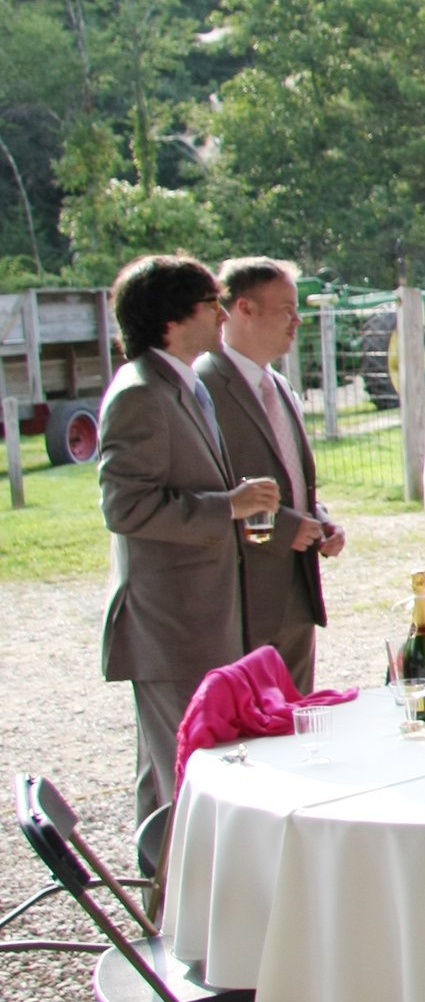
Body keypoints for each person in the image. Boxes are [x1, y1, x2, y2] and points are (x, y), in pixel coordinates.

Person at [97, 254, 277, 821]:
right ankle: (179, 902)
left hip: (197, 616)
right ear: (172, 320)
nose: (223, 316)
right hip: (169, 624)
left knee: (171, 776)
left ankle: (167, 902)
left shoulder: (178, 383)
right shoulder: (139, 393)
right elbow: (125, 508)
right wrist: (229, 505)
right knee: (183, 776)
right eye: (210, 305)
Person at [198, 257, 343, 691]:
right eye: (286, 309)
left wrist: (318, 517)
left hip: (295, 586)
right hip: (242, 594)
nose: (297, 321)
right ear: (244, 308)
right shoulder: (203, 385)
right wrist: (282, 528)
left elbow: (286, 472)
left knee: (295, 716)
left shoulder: (277, 384)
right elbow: (207, 491)